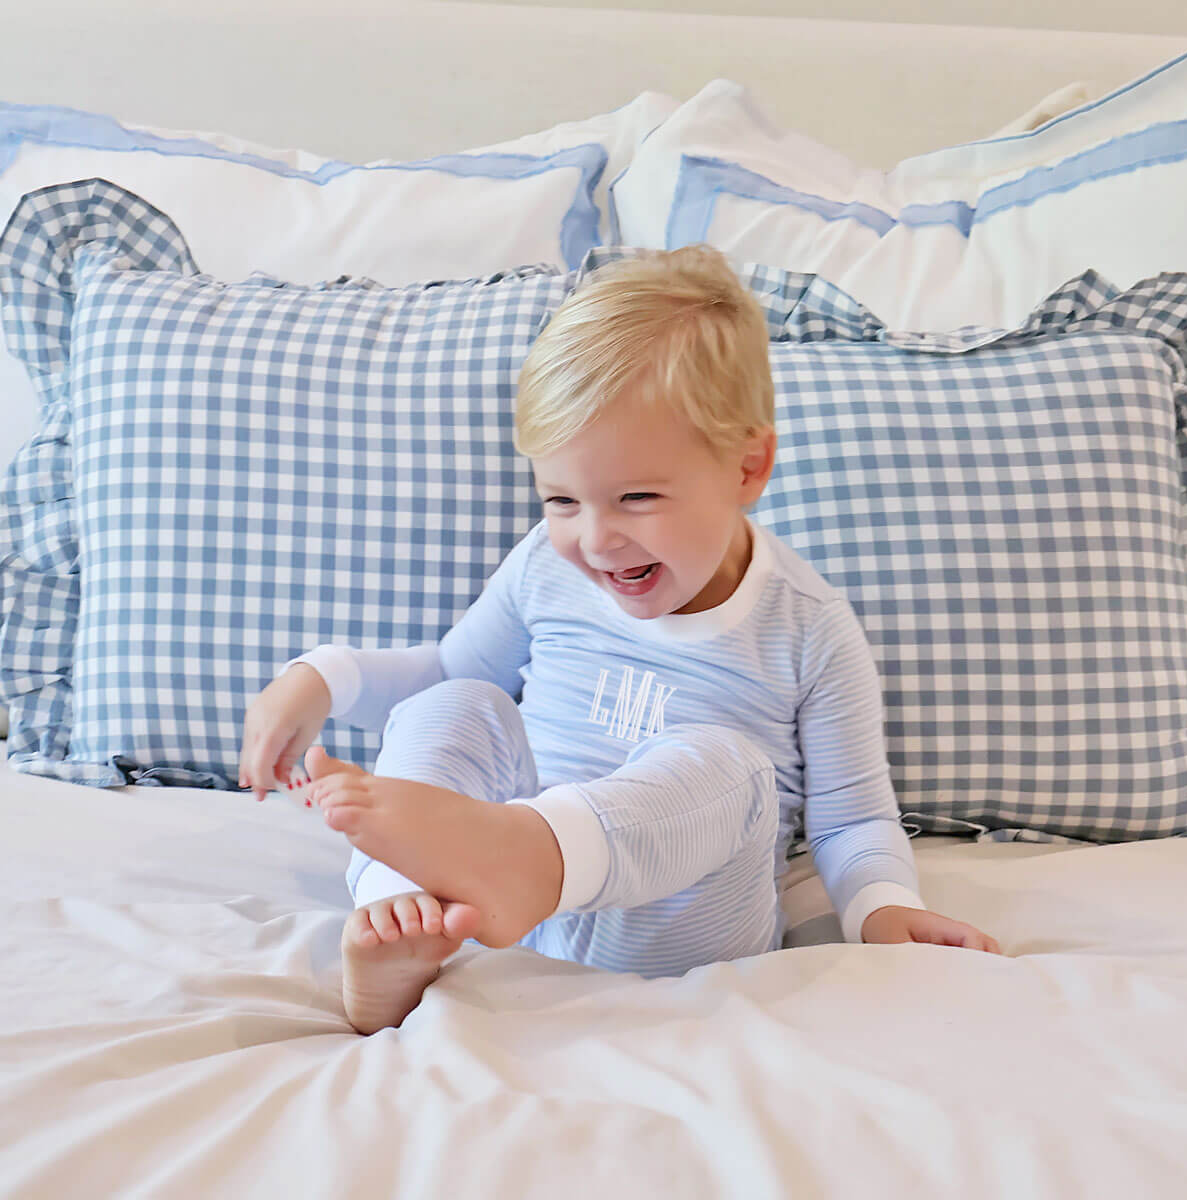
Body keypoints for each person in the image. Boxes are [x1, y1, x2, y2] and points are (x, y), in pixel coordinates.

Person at [239, 246, 1002, 1035]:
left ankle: (534, 853)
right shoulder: (546, 564)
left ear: (748, 466)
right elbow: (444, 669)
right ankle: (395, 917)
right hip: (508, 921)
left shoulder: (807, 626)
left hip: (682, 936)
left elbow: (852, 820)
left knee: (731, 767)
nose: (596, 540)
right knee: (459, 699)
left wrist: (884, 909)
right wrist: (323, 678)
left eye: (636, 497)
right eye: (562, 498)